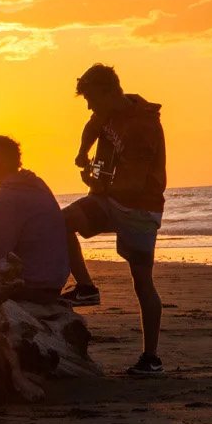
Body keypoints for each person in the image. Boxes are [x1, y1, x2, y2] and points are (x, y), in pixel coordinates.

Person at [61, 64, 167, 376]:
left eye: (92, 98)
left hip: (140, 208)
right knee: (62, 221)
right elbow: (92, 125)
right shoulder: (110, 111)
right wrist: (83, 153)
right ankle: (85, 286)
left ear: (109, 92)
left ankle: (151, 358)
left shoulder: (142, 127)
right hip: (110, 198)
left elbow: (134, 185)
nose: (90, 105)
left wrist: (98, 185)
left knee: (142, 281)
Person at [0, 135, 70, 304]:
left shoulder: (5, 197)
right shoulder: (37, 184)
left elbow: (2, 253)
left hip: (31, 285)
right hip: (55, 281)